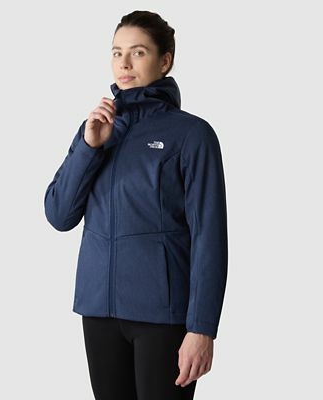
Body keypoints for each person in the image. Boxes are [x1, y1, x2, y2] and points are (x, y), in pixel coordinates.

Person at [44, 10, 228, 400]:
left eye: (138, 52)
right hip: (98, 312)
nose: (124, 63)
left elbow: (210, 237)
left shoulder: (192, 135)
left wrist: (202, 328)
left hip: (163, 316)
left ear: (165, 61)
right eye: (117, 52)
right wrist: (90, 148)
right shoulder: (97, 128)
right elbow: (59, 214)